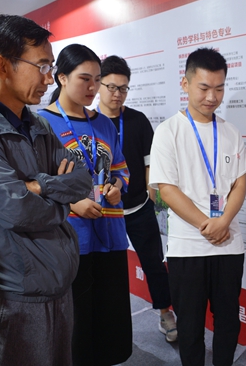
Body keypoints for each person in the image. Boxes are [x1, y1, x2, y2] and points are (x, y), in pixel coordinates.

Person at [0, 14, 92, 365]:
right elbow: (17, 208)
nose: (49, 78)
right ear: (2, 66)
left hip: (58, 286)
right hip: (14, 295)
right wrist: (60, 201)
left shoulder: (37, 124)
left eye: (50, 66)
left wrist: (39, 185)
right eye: (41, 66)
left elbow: (81, 180)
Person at [149, 47, 246, 366]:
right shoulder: (168, 131)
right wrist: (207, 225)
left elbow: (239, 184)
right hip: (188, 246)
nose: (212, 97)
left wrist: (224, 222)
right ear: (186, 84)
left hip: (228, 244)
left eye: (219, 88)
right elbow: (167, 189)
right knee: (190, 326)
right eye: (204, 87)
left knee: (228, 321)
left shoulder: (231, 132)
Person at [38, 44, 132, 366]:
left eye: (96, 79)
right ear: (62, 77)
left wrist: (117, 187)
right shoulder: (41, 124)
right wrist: (72, 203)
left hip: (110, 232)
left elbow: (121, 169)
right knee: (75, 321)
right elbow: (34, 183)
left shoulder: (103, 123)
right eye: (84, 79)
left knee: (109, 315)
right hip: (70, 237)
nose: (93, 87)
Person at [97, 55, 177, 342]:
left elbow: (149, 161)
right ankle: (107, 321)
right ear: (99, 85)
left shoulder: (137, 120)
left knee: (154, 264)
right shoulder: (89, 122)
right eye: (111, 87)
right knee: (108, 270)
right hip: (104, 212)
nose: (117, 94)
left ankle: (165, 312)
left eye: (123, 88)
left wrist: (151, 193)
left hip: (139, 207)